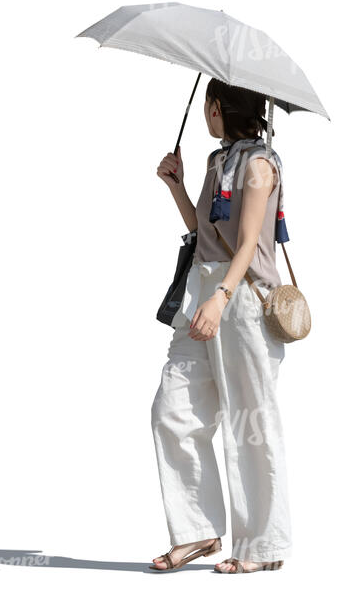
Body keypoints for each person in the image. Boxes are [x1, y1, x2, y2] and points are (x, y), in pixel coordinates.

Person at [149, 79, 291, 574]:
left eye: (210, 105)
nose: (207, 114)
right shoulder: (218, 163)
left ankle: (262, 543)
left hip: (242, 298)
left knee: (250, 422)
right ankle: (198, 531)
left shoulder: (257, 165)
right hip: (203, 291)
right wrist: (178, 187)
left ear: (218, 107)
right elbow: (206, 233)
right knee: (173, 409)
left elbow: (249, 241)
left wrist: (222, 297)